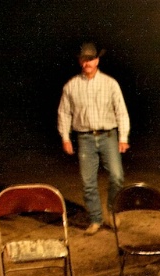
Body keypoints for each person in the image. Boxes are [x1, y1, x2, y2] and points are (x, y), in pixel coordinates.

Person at [58, 42, 130, 236]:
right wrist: (65, 137)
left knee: (116, 176)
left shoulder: (110, 83)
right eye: (83, 59)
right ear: (80, 61)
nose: (86, 63)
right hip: (85, 138)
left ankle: (112, 211)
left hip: (108, 135)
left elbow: (121, 111)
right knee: (88, 181)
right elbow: (64, 113)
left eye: (90, 59)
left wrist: (123, 137)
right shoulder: (72, 86)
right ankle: (96, 218)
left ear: (97, 60)